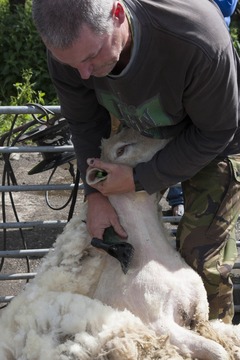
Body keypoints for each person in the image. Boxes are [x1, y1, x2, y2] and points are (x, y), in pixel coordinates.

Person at [32, 0, 240, 323]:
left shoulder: (198, 37)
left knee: (201, 254)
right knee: (113, 237)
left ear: (117, 14)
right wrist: (96, 195)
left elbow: (218, 130)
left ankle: (216, 339)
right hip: (139, 123)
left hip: (214, 135)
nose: (84, 73)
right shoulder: (73, 50)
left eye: (90, 57)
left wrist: (139, 178)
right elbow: (86, 123)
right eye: (73, 65)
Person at [165, 0, 238, 217]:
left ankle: (190, 204)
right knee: (170, 138)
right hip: (169, 62)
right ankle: (178, 199)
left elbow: (226, 6)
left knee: (206, 138)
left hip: (207, 61)